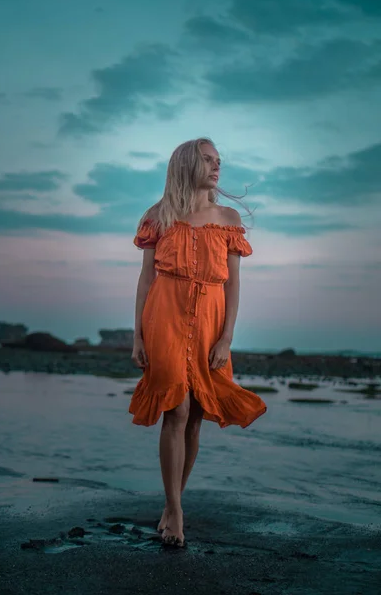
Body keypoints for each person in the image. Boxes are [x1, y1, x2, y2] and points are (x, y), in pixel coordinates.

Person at [130, 137, 267, 548]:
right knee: (176, 406)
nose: (216, 167)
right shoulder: (159, 216)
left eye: (219, 161)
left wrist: (227, 337)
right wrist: (137, 333)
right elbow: (146, 278)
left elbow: (234, 284)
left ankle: (173, 502)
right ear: (187, 164)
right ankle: (174, 510)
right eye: (208, 160)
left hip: (210, 318)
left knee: (195, 416)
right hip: (165, 314)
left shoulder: (227, 218)